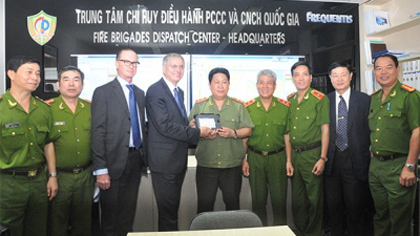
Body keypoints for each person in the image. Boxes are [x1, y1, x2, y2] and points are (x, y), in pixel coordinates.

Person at [146, 53, 212, 231]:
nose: (178, 70)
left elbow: (174, 122)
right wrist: (196, 132)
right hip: (164, 162)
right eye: (174, 66)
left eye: (181, 66)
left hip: (176, 161)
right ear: (164, 68)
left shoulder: (178, 91)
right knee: (167, 213)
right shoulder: (155, 91)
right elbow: (164, 126)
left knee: (171, 210)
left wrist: (188, 124)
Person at [91, 48, 147, 236]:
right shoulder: (103, 92)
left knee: (127, 216)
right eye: (126, 62)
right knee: (109, 219)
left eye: (134, 63)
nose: (131, 66)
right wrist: (101, 169)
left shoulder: (139, 93)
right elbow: (97, 133)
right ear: (116, 63)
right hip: (111, 164)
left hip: (134, 161)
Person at [0, 56, 59, 236]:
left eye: (38, 74)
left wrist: (52, 176)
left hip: (38, 182)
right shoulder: (2, 107)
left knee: (38, 229)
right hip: (9, 184)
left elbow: (48, 144)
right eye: (29, 72)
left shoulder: (43, 109)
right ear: (11, 74)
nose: (35, 77)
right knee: (10, 231)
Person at [189, 67, 254, 214]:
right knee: (204, 208)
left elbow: (248, 129)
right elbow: (190, 128)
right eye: (216, 82)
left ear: (229, 84)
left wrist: (233, 133)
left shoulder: (238, 106)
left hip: (231, 166)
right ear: (209, 84)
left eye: (224, 82)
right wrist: (198, 130)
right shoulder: (200, 105)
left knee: (233, 206)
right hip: (207, 165)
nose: (220, 85)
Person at [369, 54, 420, 236]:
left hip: (399, 166)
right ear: (374, 72)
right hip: (376, 167)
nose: (383, 72)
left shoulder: (410, 96)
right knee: (380, 216)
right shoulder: (374, 98)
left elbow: (417, 131)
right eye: (378, 68)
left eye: (388, 67)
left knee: (400, 220)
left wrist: (410, 166)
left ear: (398, 70)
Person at [324, 61, 373, 236]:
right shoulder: (325, 101)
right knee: (333, 208)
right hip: (332, 161)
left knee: (355, 209)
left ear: (351, 76)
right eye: (335, 75)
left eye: (343, 74)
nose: (339, 79)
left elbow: (372, 129)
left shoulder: (365, 100)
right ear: (330, 79)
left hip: (355, 161)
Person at [47, 66, 94, 236]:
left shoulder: (90, 108)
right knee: (57, 224)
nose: (71, 84)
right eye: (66, 79)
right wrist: (51, 176)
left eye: (76, 79)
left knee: (84, 224)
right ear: (58, 85)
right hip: (60, 177)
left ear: (82, 84)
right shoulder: (48, 109)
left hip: (85, 176)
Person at [242, 69, 291, 226]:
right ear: (256, 85)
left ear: (275, 86)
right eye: (261, 82)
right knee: (258, 202)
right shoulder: (248, 107)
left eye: (269, 83)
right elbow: (244, 137)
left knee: (279, 202)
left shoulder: (285, 107)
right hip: (255, 159)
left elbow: (287, 136)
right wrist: (244, 159)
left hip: (278, 158)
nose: (265, 86)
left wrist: (289, 161)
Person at [286, 61, 330, 236]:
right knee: (298, 200)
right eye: (296, 74)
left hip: (313, 155)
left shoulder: (319, 99)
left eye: (304, 74)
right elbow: (287, 133)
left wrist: (322, 158)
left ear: (311, 78)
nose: (300, 78)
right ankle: (301, 231)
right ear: (292, 78)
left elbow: (325, 130)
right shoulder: (289, 100)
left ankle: (313, 233)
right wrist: (288, 160)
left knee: (314, 200)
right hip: (295, 156)